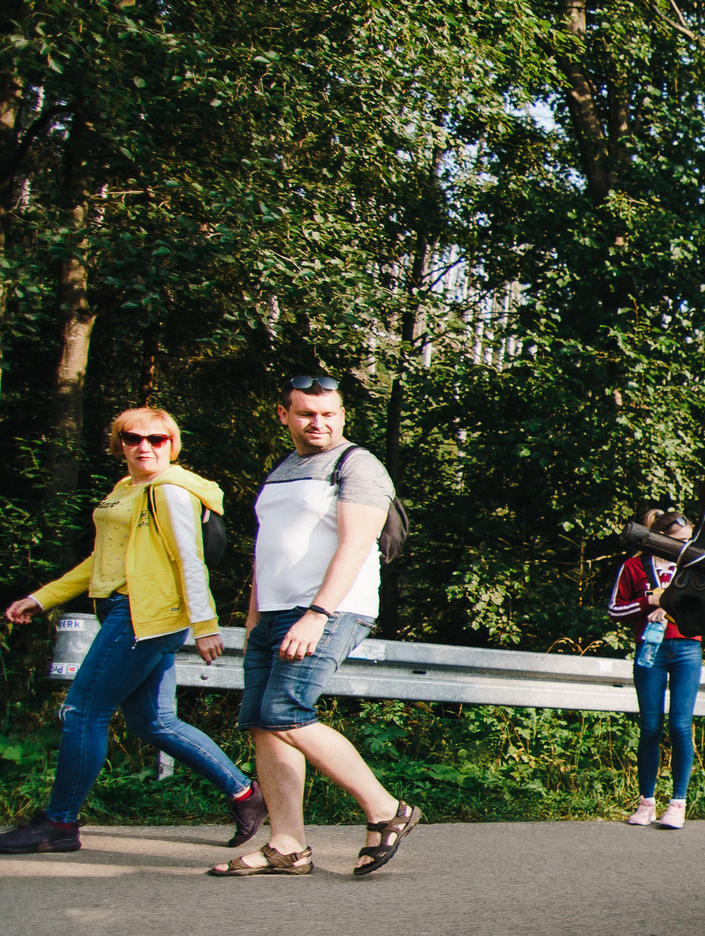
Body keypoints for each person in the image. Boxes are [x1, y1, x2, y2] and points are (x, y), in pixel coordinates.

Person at [1, 408, 264, 855]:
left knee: (83, 712)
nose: (145, 445)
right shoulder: (126, 488)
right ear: (119, 443)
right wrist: (43, 597)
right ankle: (246, 794)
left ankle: (59, 824)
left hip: (143, 617)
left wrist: (205, 626)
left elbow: (190, 559)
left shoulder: (171, 492)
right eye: (133, 437)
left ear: (172, 444)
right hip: (128, 612)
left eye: (157, 439)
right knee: (154, 722)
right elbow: (101, 560)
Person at [210, 375, 419, 877]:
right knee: (263, 722)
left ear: (342, 414)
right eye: (306, 414)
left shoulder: (358, 465)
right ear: (285, 416)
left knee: (286, 711)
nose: (318, 423)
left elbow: (354, 545)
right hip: (276, 611)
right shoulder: (281, 469)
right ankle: (288, 845)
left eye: (329, 413)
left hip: (330, 608)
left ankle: (386, 808)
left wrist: (317, 613)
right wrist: (255, 613)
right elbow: (269, 547)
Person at [609, 510, 705, 829]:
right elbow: (614, 609)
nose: (687, 545)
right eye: (681, 541)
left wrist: (671, 602)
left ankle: (678, 803)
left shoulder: (694, 567)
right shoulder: (634, 566)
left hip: (687, 649)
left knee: (680, 726)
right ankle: (646, 802)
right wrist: (649, 600)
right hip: (649, 650)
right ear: (661, 539)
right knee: (650, 727)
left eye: (690, 540)